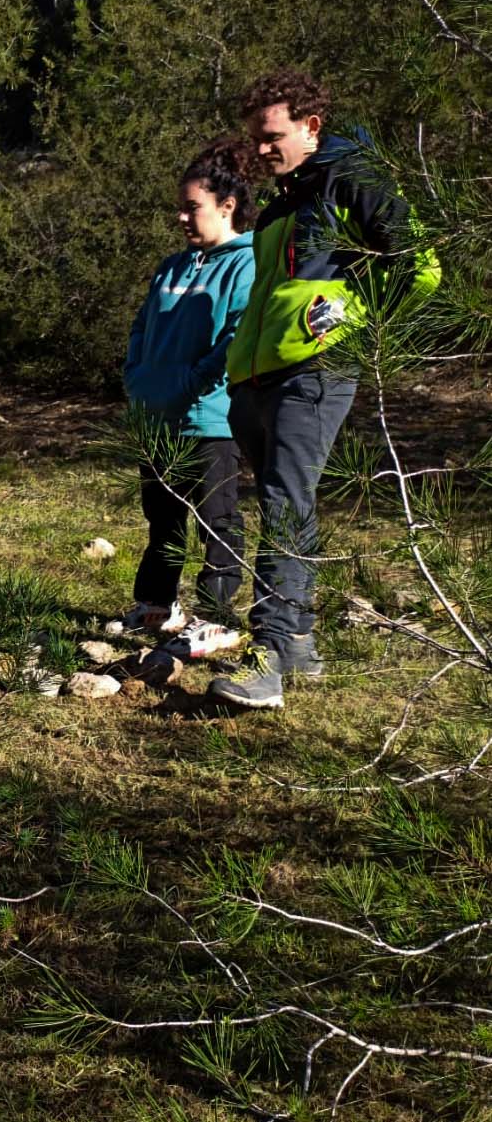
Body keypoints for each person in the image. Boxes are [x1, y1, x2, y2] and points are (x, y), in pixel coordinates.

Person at [209, 71, 441, 710]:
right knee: (288, 502)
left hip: (315, 371)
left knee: (285, 503)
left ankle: (270, 653)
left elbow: (420, 265)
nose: (260, 150)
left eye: (272, 136)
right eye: (255, 139)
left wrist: (348, 315)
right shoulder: (287, 197)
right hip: (259, 375)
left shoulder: (353, 177)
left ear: (312, 127)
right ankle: (300, 644)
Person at [119, 139, 256, 660]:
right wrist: (137, 374)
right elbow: (141, 325)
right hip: (153, 418)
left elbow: (234, 341)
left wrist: (188, 385)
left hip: (208, 422)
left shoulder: (246, 266)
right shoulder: (173, 266)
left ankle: (217, 616)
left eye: (191, 206)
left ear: (227, 206)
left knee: (217, 520)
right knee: (162, 517)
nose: (181, 216)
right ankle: (157, 604)